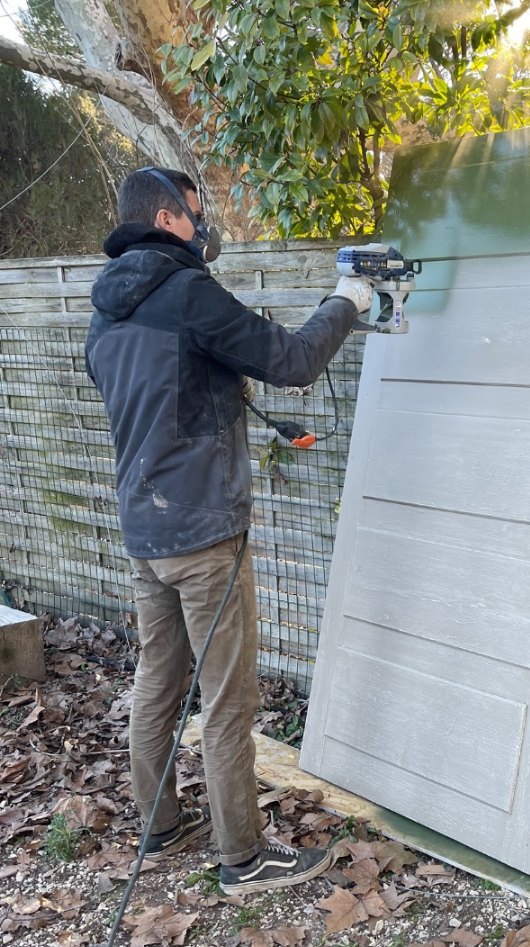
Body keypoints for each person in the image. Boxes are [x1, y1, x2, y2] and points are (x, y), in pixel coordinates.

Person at [85, 167, 373, 895]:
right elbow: (293, 360)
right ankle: (242, 857)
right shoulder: (185, 293)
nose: (203, 220)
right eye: (195, 209)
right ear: (167, 217)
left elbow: (168, 395)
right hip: (205, 535)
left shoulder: (107, 314)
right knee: (228, 700)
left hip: (143, 532)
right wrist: (347, 301)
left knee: (157, 683)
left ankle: (159, 827)